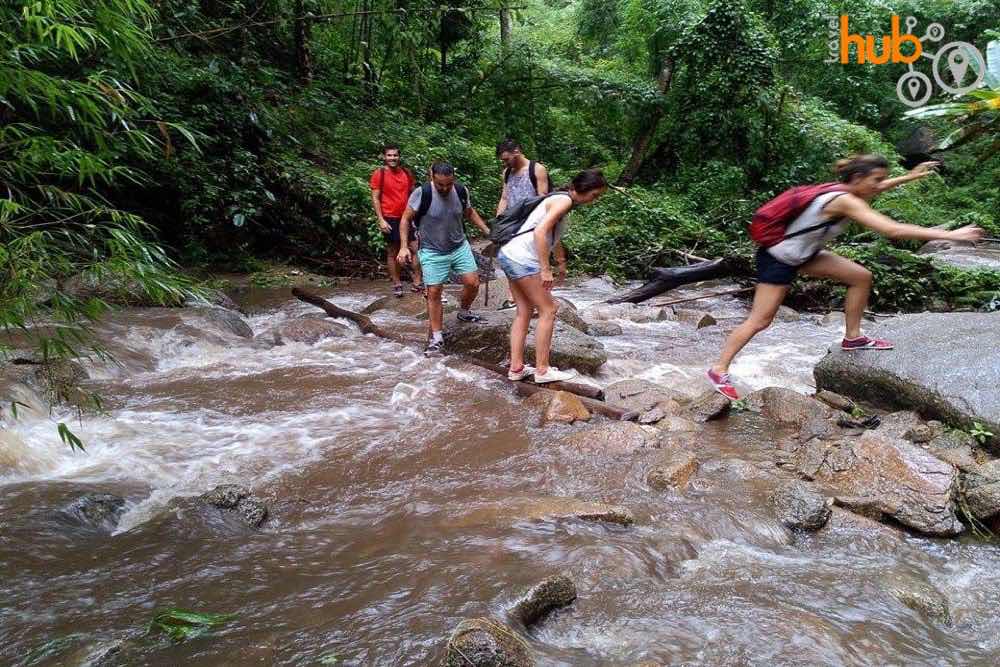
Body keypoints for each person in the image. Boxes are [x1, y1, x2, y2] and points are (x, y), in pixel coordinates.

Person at [707, 155, 983, 400]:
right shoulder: (844, 200)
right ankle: (719, 370)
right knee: (760, 320)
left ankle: (852, 338)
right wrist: (951, 235)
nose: (879, 185)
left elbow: (879, 189)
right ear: (858, 178)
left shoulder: (847, 192)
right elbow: (892, 230)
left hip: (804, 254)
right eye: (876, 180)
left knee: (861, 277)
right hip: (779, 259)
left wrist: (911, 177)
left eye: (882, 180)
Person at [498, 169, 608, 383]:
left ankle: (516, 368)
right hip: (522, 260)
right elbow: (540, 232)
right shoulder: (563, 202)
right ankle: (542, 370)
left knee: (524, 311)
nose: (595, 200)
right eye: (595, 195)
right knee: (549, 308)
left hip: (509, 254)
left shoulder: (559, 200)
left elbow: (552, 237)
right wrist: (546, 269)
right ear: (581, 189)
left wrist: (561, 263)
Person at [398, 162, 492, 356]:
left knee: (473, 283)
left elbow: (469, 212)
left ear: (453, 179)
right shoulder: (421, 193)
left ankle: (464, 311)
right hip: (432, 250)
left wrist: (487, 231)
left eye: (448, 184)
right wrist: (403, 247)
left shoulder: (460, 190)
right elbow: (406, 219)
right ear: (431, 177)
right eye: (440, 184)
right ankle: (437, 337)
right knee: (434, 292)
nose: (444, 188)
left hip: (459, 246)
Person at [495, 139, 555, 309]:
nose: (505, 163)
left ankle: (538, 297)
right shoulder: (507, 172)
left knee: (533, 259)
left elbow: (542, 197)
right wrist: (498, 221)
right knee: (510, 258)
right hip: (511, 222)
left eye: (506, 159)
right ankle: (513, 297)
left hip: (530, 223)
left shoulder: (537, 169)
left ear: (517, 152)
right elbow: (505, 197)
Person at [370, 143, 421, 297]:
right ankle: (397, 283)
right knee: (393, 251)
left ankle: (417, 281)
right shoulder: (380, 174)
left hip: (407, 216)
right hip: (389, 217)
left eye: (395, 155)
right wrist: (380, 219)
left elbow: (413, 194)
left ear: (399, 157)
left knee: (416, 248)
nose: (392, 158)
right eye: (389, 155)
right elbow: (375, 198)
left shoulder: (406, 173)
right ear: (384, 157)